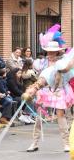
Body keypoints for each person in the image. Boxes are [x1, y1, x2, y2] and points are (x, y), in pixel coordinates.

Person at [24, 25, 71, 153]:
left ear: (57, 51)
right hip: (44, 91)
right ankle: (34, 142)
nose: (50, 53)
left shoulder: (63, 62)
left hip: (59, 90)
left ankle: (66, 143)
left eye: (52, 51)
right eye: (48, 51)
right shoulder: (41, 63)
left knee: (60, 115)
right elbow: (37, 77)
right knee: (39, 117)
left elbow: (66, 75)